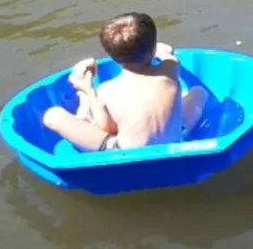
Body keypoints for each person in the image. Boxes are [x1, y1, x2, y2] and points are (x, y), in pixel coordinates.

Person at [41, 12, 208, 152]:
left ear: (112, 56)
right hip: (175, 139)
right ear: (153, 48)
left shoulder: (108, 90)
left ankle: (83, 100)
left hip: (126, 154)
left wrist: (88, 89)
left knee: (53, 116)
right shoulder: (170, 69)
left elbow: (106, 129)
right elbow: (167, 52)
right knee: (198, 92)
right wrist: (161, 51)